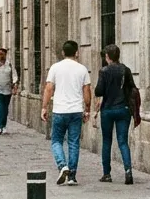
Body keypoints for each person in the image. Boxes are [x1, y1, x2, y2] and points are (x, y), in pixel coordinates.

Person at [40, 40, 91, 185]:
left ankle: (63, 165)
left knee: (56, 141)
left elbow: (49, 88)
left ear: (63, 53)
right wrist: (87, 109)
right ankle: (72, 176)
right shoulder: (82, 69)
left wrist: (44, 107)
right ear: (77, 53)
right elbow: (87, 91)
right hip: (76, 111)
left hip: (59, 110)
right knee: (73, 143)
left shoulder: (55, 68)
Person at [93, 45, 137, 184]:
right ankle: (128, 171)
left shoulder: (104, 71)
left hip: (108, 110)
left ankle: (107, 174)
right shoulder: (126, 70)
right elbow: (132, 88)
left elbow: (98, 91)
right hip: (124, 109)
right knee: (123, 141)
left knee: (107, 141)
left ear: (108, 57)